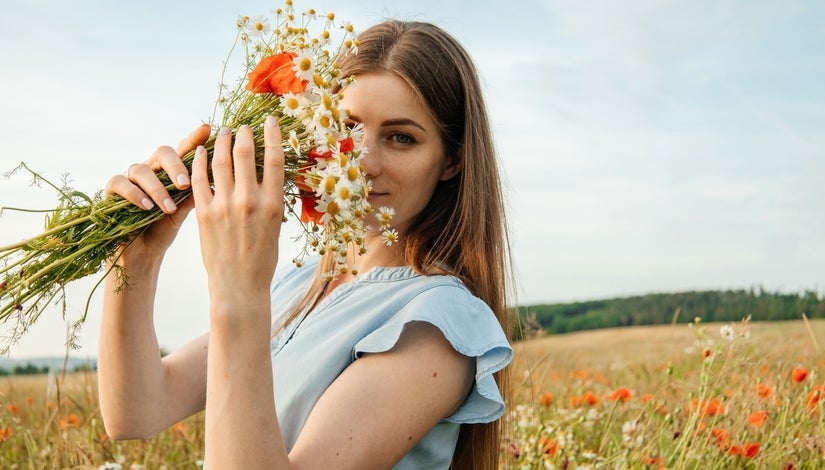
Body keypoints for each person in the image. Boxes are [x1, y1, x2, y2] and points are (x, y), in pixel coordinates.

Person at [98, 20, 514, 469]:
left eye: (401, 138)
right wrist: (135, 262)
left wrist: (238, 289)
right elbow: (137, 411)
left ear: (451, 161)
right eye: (347, 126)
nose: (364, 161)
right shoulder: (296, 288)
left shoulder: (440, 322)